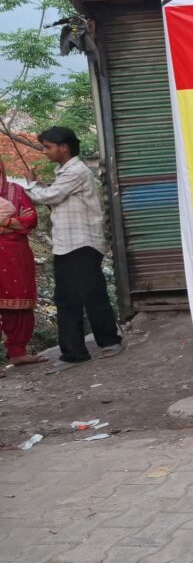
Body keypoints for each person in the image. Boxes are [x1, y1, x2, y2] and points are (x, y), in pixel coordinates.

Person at [24, 127, 123, 371]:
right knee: (66, 299)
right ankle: (74, 353)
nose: (45, 152)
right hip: (65, 245)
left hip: (83, 243)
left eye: (48, 147)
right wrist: (38, 185)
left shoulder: (77, 171)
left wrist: (31, 185)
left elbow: (51, 196)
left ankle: (109, 341)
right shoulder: (65, 173)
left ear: (64, 147)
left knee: (92, 294)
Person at [0, 160, 48, 377]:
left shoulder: (16, 190)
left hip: (15, 254)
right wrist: (14, 222)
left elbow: (30, 219)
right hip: (12, 246)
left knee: (19, 302)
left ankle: (17, 352)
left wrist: (6, 222)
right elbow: (22, 221)